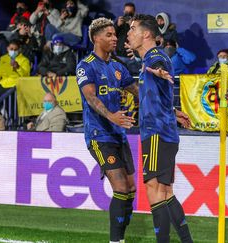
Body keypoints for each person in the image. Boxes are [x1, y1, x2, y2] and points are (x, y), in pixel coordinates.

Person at [127, 14, 192, 243]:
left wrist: (157, 70)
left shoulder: (155, 57)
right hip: (163, 130)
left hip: (156, 132)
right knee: (165, 192)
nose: (128, 33)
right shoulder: (148, 59)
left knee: (153, 189)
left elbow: (160, 65)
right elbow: (160, 94)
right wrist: (174, 111)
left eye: (133, 29)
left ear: (146, 34)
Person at [76, 17, 139, 243]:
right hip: (98, 135)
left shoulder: (118, 67)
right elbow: (91, 96)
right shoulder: (86, 65)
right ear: (96, 38)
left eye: (115, 35)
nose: (115, 39)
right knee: (121, 187)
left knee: (131, 189)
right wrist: (111, 116)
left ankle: (120, 236)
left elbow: (138, 92)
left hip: (119, 136)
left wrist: (166, 109)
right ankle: (115, 241)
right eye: (109, 35)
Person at [114, 3, 140, 75]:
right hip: (119, 56)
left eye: (130, 13)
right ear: (123, 11)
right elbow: (112, 35)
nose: (127, 15)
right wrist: (117, 25)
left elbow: (139, 36)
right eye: (126, 12)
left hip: (132, 58)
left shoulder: (137, 24)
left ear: (134, 12)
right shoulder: (119, 22)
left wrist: (131, 25)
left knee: (132, 78)